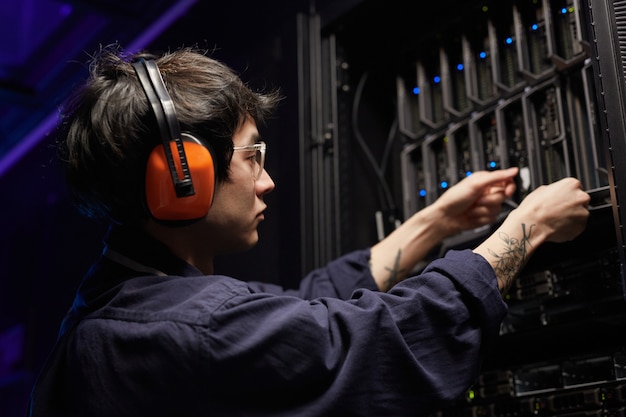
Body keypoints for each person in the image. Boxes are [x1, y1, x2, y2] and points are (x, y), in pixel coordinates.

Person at [26, 44, 590, 417]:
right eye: (253, 158)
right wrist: (530, 225)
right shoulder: (184, 327)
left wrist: (434, 222)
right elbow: (365, 343)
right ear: (182, 177)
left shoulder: (119, 301)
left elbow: (297, 315)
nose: (268, 182)